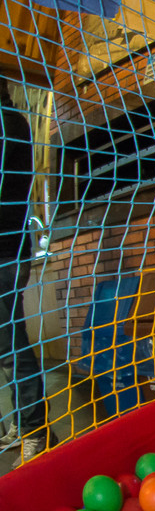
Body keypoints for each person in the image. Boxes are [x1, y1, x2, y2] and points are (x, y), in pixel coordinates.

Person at [0, 86, 54, 462]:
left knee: (9, 344)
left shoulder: (5, 123)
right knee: (7, 342)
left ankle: (36, 429)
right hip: (9, 248)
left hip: (3, 251)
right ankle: (25, 421)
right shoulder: (13, 120)